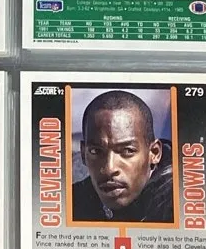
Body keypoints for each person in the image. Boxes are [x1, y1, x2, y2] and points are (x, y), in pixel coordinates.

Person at [72, 89, 173, 223]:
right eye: (96, 151)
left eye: (127, 151)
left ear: (154, 153)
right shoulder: (71, 199)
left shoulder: (179, 200)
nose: (109, 169)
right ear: (83, 153)